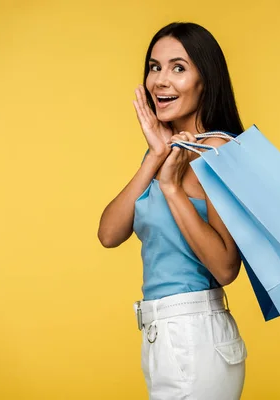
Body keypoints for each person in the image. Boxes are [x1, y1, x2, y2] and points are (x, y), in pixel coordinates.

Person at [98, 22, 247, 400]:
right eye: (154, 67)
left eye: (179, 68)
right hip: (162, 335)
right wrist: (156, 158)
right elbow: (109, 234)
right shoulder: (164, 153)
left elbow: (226, 268)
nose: (161, 80)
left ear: (205, 79)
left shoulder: (216, 151)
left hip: (194, 336)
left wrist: (170, 186)